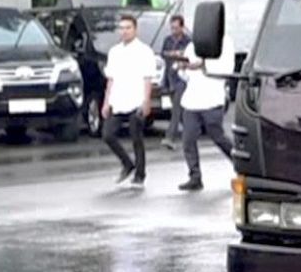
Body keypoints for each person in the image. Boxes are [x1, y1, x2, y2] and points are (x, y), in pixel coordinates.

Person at [101, 14, 157, 188]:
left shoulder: (144, 51)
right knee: (108, 134)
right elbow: (111, 79)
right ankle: (127, 163)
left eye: (128, 28)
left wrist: (146, 101)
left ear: (135, 29)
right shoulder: (114, 52)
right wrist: (106, 102)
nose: (124, 31)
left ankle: (140, 174)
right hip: (118, 100)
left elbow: (148, 78)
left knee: (136, 137)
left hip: (136, 100)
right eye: (122, 28)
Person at [177, 34, 235, 191]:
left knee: (218, 136)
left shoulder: (224, 43)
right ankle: (195, 176)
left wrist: (202, 65)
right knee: (188, 139)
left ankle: (241, 165)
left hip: (212, 99)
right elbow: (186, 76)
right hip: (191, 100)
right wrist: (183, 67)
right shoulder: (192, 46)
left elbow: (226, 70)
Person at [159, 14, 191, 150]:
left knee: (176, 109)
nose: (173, 31)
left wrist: (180, 55)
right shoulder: (168, 40)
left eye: (176, 28)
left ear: (182, 27)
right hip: (170, 78)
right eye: (172, 28)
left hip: (182, 78)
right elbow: (163, 53)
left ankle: (170, 137)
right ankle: (191, 133)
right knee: (181, 111)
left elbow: (191, 57)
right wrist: (171, 54)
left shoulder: (188, 41)